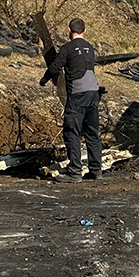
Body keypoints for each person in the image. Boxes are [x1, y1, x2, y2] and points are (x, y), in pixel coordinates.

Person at [40, 17, 102, 181]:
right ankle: (96, 170)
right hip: (94, 93)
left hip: (78, 94)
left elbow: (54, 67)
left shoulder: (68, 48)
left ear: (69, 31)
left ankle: (75, 171)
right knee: (92, 132)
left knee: (72, 131)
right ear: (84, 31)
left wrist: (43, 80)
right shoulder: (90, 48)